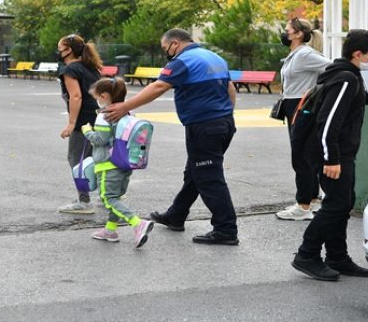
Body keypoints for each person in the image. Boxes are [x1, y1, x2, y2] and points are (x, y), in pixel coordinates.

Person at [291, 29, 368, 281]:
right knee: (336, 205)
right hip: (333, 155)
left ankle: (337, 257)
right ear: (358, 54)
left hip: (337, 153)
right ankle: (307, 255)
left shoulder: (347, 76)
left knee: (342, 203)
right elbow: (328, 121)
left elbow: (357, 100)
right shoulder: (346, 79)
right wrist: (331, 159)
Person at [105, 28, 239, 245]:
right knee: (195, 172)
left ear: (174, 44)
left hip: (204, 126)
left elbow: (159, 87)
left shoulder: (182, 61)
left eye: (164, 47)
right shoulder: (214, 58)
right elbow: (230, 88)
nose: (165, 51)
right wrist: (227, 117)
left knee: (208, 176)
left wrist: (125, 107)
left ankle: (226, 229)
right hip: (222, 123)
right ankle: (176, 215)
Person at [83, 77, 154, 247]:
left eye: (97, 97)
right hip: (124, 164)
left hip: (108, 165)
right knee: (116, 198)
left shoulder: (104, 116)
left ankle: (138, 223)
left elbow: (100, 139)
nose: (96, 101)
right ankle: (110, 230)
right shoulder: (128, 112)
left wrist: (87, 131)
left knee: (108, 199)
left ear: (105, 96)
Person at [276, 17, 332, 221]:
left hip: (301, 106)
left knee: (300, 156)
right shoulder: (296, 54)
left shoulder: (304, 54)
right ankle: (312, 200)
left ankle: (303, 205)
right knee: (307, 154)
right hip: (294, 105)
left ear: (298, 34)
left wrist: (315, 91)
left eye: (287, 29)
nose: (284, 32)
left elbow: (333, 67)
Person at [57, 34, 102, 214]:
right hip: (98, 118)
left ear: (69, 50)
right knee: (97, 158)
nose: (58, 52)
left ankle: (84, 202)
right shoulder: (90, 67)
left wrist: (71, 124)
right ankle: (110, 196)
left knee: (77, 160)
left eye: (60, 49)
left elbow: (76, 96)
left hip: (84, 121)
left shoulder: (71, 70)